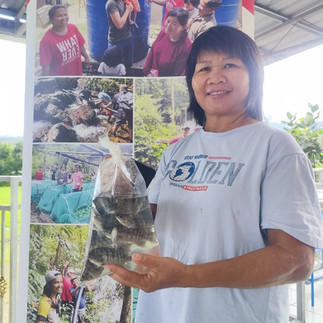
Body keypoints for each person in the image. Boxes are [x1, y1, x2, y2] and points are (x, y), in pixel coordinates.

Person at [104, 26, 323, 323]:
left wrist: (186, 276)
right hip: (162, 314)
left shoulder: (276, 147)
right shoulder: (176, 153)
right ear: (192, 81)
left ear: (254, 76)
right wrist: (119, 194)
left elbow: (296, 261)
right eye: (204, 68)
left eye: (230, 65)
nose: (215, 77)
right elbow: (147, 227)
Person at [39, 5, 91, 76]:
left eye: (65, 14)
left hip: (77, 73)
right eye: (59, 16)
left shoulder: (73, 28)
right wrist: (46, 83)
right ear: (51, 20)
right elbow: (46, 66)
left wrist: (86, 57)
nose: (63, 18)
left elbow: (80, 45)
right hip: (60, 81)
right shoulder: (46, 41)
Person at [143, 8, 192, 77]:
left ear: (183, 27)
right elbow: (152, 51)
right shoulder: (163, 33)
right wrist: (147, 72)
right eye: (168, 21)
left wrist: (158, 82)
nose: (168, 26)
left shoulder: (185, 48)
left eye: (174, 24)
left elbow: (178, 76)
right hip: (151, 76)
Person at [105, 0, 134, 73]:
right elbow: (119, 25)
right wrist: (128, 10)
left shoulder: (123, 1)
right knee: (115, 68)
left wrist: (130, 20)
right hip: (116, 41)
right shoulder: (111, 4)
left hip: (127, 37)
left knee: (128, 64)